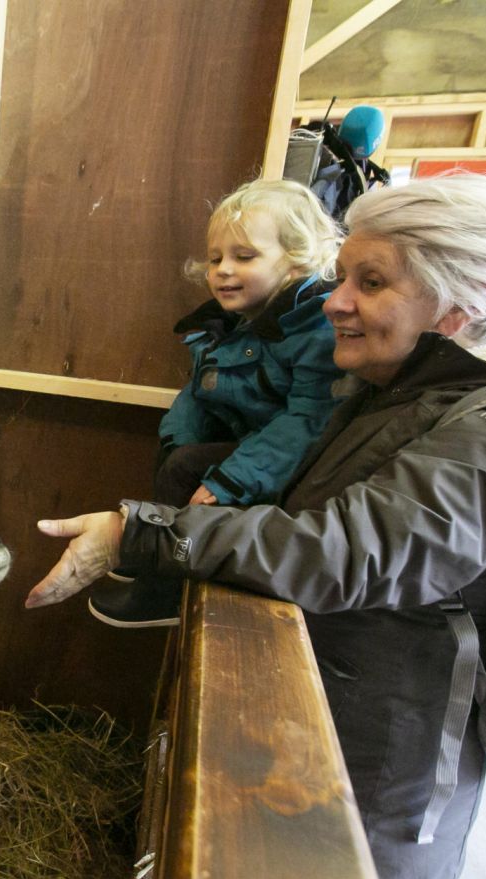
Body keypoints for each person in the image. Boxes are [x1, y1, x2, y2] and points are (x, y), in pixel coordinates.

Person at [26, 173, 486, 879]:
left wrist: (138, 536)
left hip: (388, 774)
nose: (335, 302)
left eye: (372, 282)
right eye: (342, 276)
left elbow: (346, 550)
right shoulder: (398, 394)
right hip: (327, 716)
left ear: (462, 304)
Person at [90, 179, 344, 628]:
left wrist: (234, 477)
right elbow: (201, 390)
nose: (223, 270)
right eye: (216, 258)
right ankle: (151, 552)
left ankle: (163, 589)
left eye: (244, 257)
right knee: (178, 454)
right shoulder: (236, 324)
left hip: (296, 465)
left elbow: (310, 421)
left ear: (296, 262)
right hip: (258, 447)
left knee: (185, 466)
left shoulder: (312, 329)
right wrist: (177, 437)